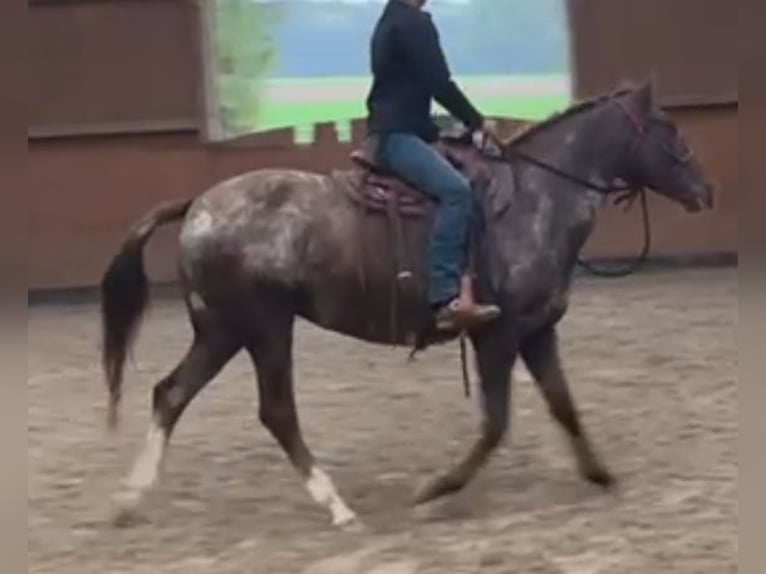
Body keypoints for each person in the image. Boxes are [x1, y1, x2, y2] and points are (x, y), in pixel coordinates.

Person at [364, 0, 501, 332]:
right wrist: (477, 121)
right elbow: (439, 83)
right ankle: (444, 296)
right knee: (457, 192)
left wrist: (439, 132)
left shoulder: (390, 20)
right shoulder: (414, 24)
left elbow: (405, 88)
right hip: (398, 137)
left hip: (399, 130)